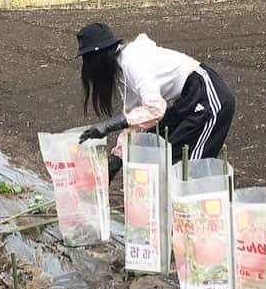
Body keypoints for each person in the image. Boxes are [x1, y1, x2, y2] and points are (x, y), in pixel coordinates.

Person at [75, 22, 235, 181]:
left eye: (87, 60)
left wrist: (108, 126)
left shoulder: (131, 60)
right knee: (161, 149)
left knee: (187, 169)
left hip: (207, 94)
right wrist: (117, 159)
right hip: (188, 99)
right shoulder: (120, 72)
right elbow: (137, 120)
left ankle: (202, 200)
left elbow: (155, 108)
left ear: (98, 56)